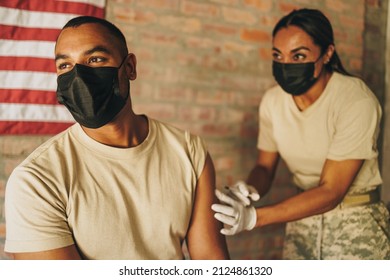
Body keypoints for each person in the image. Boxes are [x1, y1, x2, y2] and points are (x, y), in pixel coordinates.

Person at [4, 16, 229, 260]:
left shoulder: (189, 151)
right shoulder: (37, 180)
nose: (79, 77)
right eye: (65, 66)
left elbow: (211, 263)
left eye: (96, 59)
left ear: (130, 67)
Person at [212, 8, 390, 260]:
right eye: (278, 55)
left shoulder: (355, 100)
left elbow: (331, 192)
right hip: (301, 223)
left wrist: (254, 218)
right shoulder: (273, 101)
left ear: (327, 53)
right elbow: (264, 166)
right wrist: (248, 190)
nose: (286, 65)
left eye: (298, 56)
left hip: (355, 223)